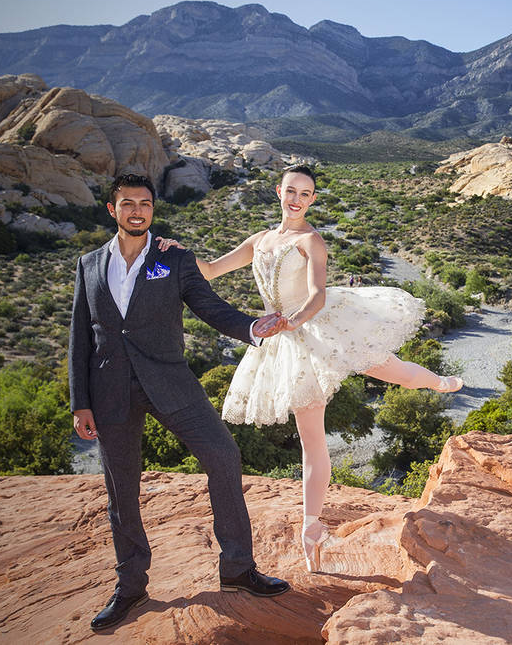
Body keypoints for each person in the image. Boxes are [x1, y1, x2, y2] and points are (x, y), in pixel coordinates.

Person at [156, 165, 462, 573]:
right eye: (291, 191)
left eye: (306, 193)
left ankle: (438, 382)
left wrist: (292, 322)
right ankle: (312, 526)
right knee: (311, 440)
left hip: (319, 325)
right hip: (285, 342)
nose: (297, 199)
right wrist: (178, 252)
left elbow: (317, 295)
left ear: (313, 199)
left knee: (395, 371)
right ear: (278, 192)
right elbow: (210, 270)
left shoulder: (311, 241)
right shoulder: (260, 240)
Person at [69, 174, 290, 633]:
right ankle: (130, 584)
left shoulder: (175, 258)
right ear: (112, 210)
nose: (136, 211)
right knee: (120, 490)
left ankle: (237, 569)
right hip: (109, 391)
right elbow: (79, 338)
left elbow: (211, 307)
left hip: (170, 381)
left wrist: (253, 327)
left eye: (144, 204)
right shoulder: (89, 264)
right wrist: (80, 401)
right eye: (127, 203)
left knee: (224, 456)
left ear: (153, 209)